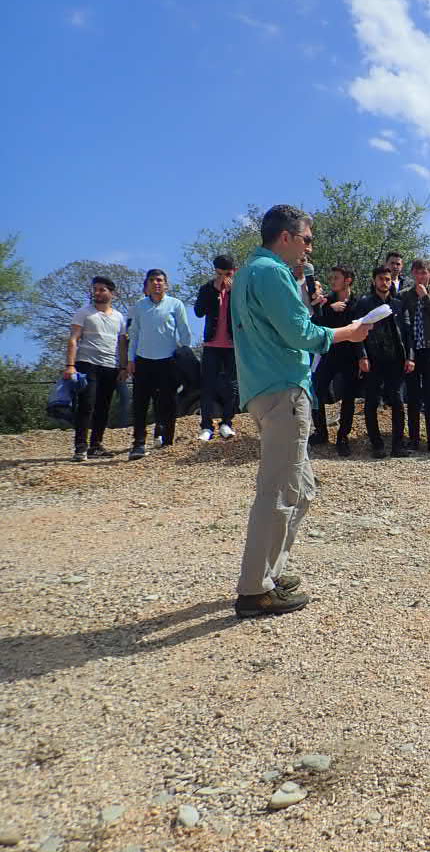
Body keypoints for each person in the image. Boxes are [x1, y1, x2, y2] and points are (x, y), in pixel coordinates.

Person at [229, 204, 369, 617]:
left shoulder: (253, 272)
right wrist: (349, 332)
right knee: (277, 492)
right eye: (306, 239)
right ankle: (254, 589)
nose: (309, 247)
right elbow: (301, 333)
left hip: (269, 388)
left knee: (300, 488)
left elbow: (286, 324)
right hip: (282, 390)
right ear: (286, 237)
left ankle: (270, 572)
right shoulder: (270, 273)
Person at [127, 269, 193, 460]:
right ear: (147, 285)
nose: (156, 283)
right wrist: (131, 360)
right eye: (152, 280)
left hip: (168, 361)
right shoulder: (139, 306)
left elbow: (184, 331)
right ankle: (138, 443)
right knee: (140, 404)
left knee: (168, 402)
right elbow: (134, 334)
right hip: (143, 361)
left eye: (160, 280)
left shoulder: (176, 304)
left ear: (166, 284)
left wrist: (184, 354)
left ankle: (168, 440)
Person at [65, 276, 127, 461]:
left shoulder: (119, 317)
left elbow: (122, 344)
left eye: (102, 290)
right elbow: (73, 339)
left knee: (103, 407)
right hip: (87, 363)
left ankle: (96, 445)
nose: (97, 293)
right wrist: (70, 365)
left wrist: (123, 367)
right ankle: (80, 447)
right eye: (95, 289)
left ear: (112, 293)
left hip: (110, 365)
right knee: (86, 405)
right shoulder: (84, 313)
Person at [353, 265, 412, 458]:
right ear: (374, 281)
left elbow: (407, 333)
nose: (384, 282)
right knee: (371, 401)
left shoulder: (398, 304)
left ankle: (398, 444)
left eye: (387, 279)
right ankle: (376, 444)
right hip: (373, 358)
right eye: (380, 279)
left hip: (395, 359)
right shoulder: (364, 303)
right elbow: (357, 332)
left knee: (397, 400)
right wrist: (362, 355)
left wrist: (410, 357)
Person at [311, 264, 360, 455]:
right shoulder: (326, 301)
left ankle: (343, 437)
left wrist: (362, 357)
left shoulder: (358, 302)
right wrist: (329, 309)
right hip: (329, 354)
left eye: (336, 277)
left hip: (350, 355)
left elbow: (360, 329)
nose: (332, 281)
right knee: (316, 391)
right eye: (331, 278)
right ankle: (321, 432)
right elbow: (315, 325)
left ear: (348, 280)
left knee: (348, 397)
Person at [401, 258, 430, 452]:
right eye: (418, 272)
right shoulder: (404, 295)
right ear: (413, 274)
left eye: (425, 272)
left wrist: (426, 298)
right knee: (412, 395)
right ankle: (413, 440)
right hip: (412, 350)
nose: (421, 276)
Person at [193, 255, 239, 442]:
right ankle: (206, 426)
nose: (223, 278)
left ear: (233, 272)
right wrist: (214, 291)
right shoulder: (206, 289)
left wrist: (233, 292)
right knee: (208, 386)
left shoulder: (238, 290)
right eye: (219, 274)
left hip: (232, 345)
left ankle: (227, 423)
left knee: (232, 386)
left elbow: (247, 312)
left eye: (227, 274)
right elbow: (198, 312)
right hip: (211, 345)